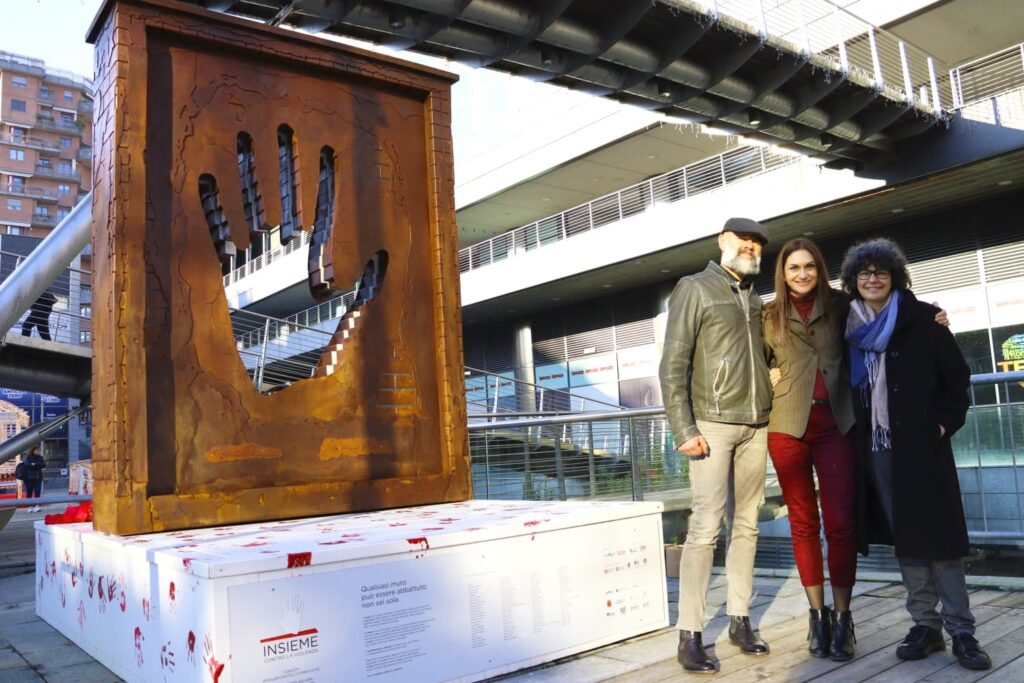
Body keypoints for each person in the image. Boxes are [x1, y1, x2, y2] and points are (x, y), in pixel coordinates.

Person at [841, 238, 991, 671]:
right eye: (864, 272)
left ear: (895, 277)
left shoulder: (925, 318)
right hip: (876, 448)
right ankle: (925, 625)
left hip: (923, 446)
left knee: (941, 538)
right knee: (907, 538)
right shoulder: (847, 327)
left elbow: (956, 378)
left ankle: (962, 630)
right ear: (853, 280)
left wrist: (942, 425)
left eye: (880, 272)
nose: (872, 278)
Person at [659, 217, 773, 674]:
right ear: (722, 242)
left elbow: (759, 355)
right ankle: (690, 632)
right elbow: (672, 364)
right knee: (706, 527)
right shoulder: (695, 287)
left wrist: (769, 374)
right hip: (711, 422)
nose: (750, 248)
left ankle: (740, 620)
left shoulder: (756, 299)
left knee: (748, 525)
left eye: (757, 244)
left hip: (756, 423)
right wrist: (683, 429)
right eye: (744, 240)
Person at [762, 238, 858, 661]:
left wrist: (934, 315)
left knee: (840, 524)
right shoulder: (767, 316)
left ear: (820, 270)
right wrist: (765, 373)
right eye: (793, 268)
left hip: (835, 423)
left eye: (809, 267)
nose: (801, 274)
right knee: (803, 523)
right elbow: (750, 359)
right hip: (786, 427)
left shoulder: (842, 306)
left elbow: (889, 308)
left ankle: (843, 618)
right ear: (782, 274)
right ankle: (816, 616)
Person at [21, 446, 46, 513]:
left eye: (39, 450)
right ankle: (30, 507)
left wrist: (34, 464)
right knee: (29, 492)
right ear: (33, 450)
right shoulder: (28, 457)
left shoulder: (40, 457)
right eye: (37, 450)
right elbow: (27, 465)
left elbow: (43, 465)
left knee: (37, 491)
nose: (38, 452)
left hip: (38, 478)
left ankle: (37, 506)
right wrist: (37, 465)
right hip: (28, 478)